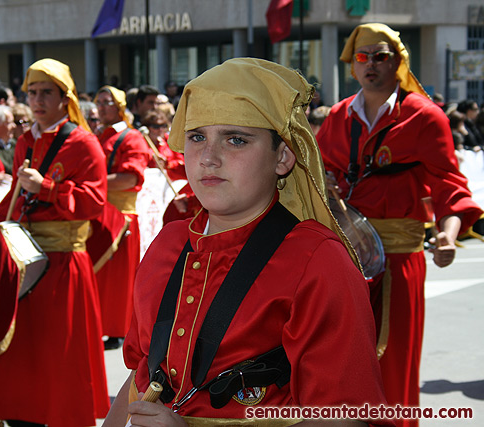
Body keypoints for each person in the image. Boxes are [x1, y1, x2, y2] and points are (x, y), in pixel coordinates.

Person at [103, 58, 392, 427]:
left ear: (283, 157)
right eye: (197, 137)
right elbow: (142, 374)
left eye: (236, 139)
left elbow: (344, 419)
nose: (208, 158)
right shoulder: (169, 242)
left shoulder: (317, 261)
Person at [316, 23, 483, 427]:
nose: (370, 64)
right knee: (339, 360)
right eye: (362, 56)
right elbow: (317, 177)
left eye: (380, 56)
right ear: (352, 66)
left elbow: (449, 186)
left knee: (392, 362)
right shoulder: (338, 116)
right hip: (345, 257)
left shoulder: (426, 117)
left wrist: (447, 234)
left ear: (398, 62)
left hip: (400, 261)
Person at [0, 58, 109, 427]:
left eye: (46, 93)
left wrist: (48, 188)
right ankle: (22, 415)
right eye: (32, 93)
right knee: (21, 347)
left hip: (63, 263)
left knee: (58, 350)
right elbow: (15, 200)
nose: (37, 100)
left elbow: (95, 203)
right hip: (24, 258)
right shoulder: (25, 141)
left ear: (64, 98)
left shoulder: (85, 144)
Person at [93, 85, 150, 350]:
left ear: (119, 105)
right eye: (98, 102)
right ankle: (99, 325)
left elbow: (130, 178)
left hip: (121, 215)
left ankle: (116, 329)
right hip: (97, 212)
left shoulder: (132, 138)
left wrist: (91, 183)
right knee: (99, 274)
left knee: (117, 277)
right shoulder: (97, 136)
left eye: (106, 102)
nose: (101, 106)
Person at [142, 109, 185, 181]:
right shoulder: (141, 143)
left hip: (174, 182)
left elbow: (181, 162)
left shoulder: (168, 140)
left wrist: (167, 163)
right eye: (156, 126)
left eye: (163, 126)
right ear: (147, 127)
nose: (160, 130)